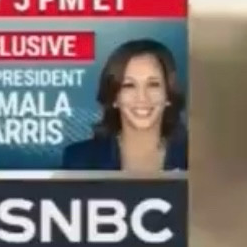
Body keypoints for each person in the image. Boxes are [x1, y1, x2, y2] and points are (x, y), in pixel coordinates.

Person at [61, 39, 189, 173]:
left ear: (168, 94)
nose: (142, 97)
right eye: (129, 85)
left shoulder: (196, 158)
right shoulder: (79, 160)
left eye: (153, 84)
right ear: (114, 97)